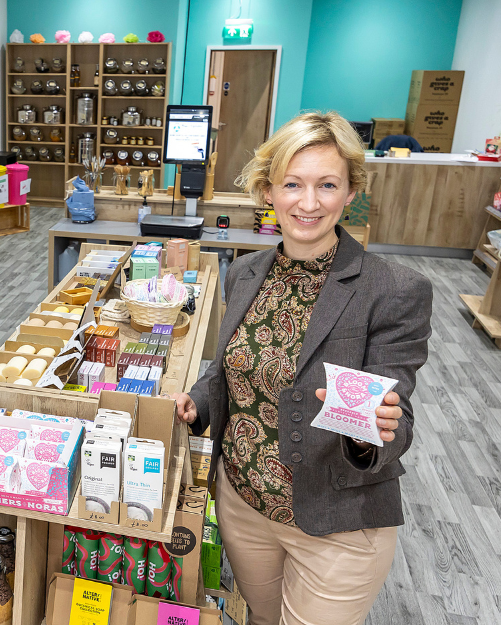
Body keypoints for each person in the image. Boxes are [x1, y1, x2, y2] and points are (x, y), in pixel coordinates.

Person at [174, 111, 432, 625]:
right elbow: (234, 368)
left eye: (327, 185)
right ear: (268, 190)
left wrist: (373, 432)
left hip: (337, 523)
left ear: (351, 190)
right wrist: (197, 401)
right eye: (293, 184)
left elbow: (394, 419)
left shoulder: (393, 290)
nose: (308, 203)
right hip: (243, 507)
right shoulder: (247, 273)